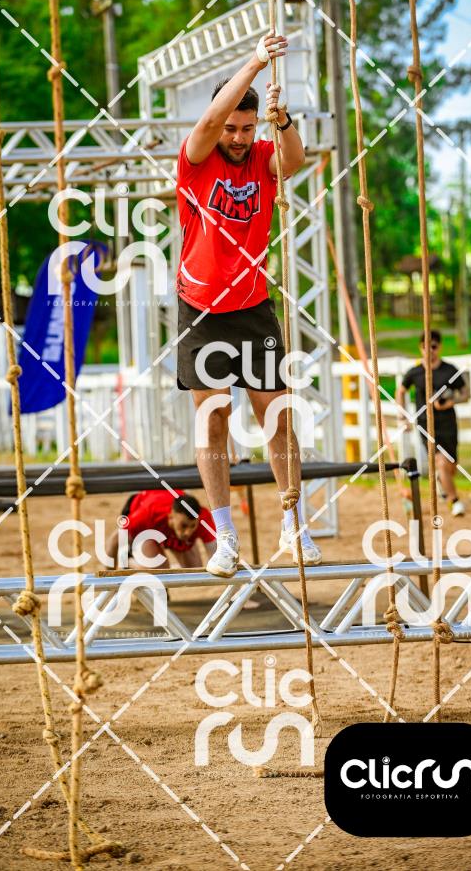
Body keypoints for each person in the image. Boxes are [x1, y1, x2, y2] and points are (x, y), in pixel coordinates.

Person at [174, 31, 322, 578]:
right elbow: (211, 120)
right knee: (213, 421)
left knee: (276, 415)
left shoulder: (262, 154)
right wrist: (257, 62)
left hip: (252, 305)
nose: (237, 137)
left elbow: (295, 160)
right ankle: (225, 536)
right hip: (200, 308)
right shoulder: (196, 158)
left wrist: (281, 119)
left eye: (247, 128)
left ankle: (294, 523)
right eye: (231, 128)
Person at [396, 330, 468, 517]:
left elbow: (465, 393)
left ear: (439, 347)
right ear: (420, 348)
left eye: (434, 346)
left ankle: (442, 483)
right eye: (425, 347)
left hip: (448, 424)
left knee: (451, 466)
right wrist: (403, 416)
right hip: (426, 425)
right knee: (441, 462)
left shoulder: (449, 370)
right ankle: (455, 501)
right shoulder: (415, 372)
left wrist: (451, 402)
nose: (430, 350)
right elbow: (401, 391)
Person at [105, 490, 216, 570]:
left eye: (193, 526)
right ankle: (129, 561)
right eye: (183, 526)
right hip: (145, 525)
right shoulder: (148, 514)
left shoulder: (203, 518)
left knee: (194, 571)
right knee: (160, 569)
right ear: (171, 517)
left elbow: (215, 551)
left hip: (169, 530)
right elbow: (115, 539)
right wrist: (109, 575)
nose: (188, 532)